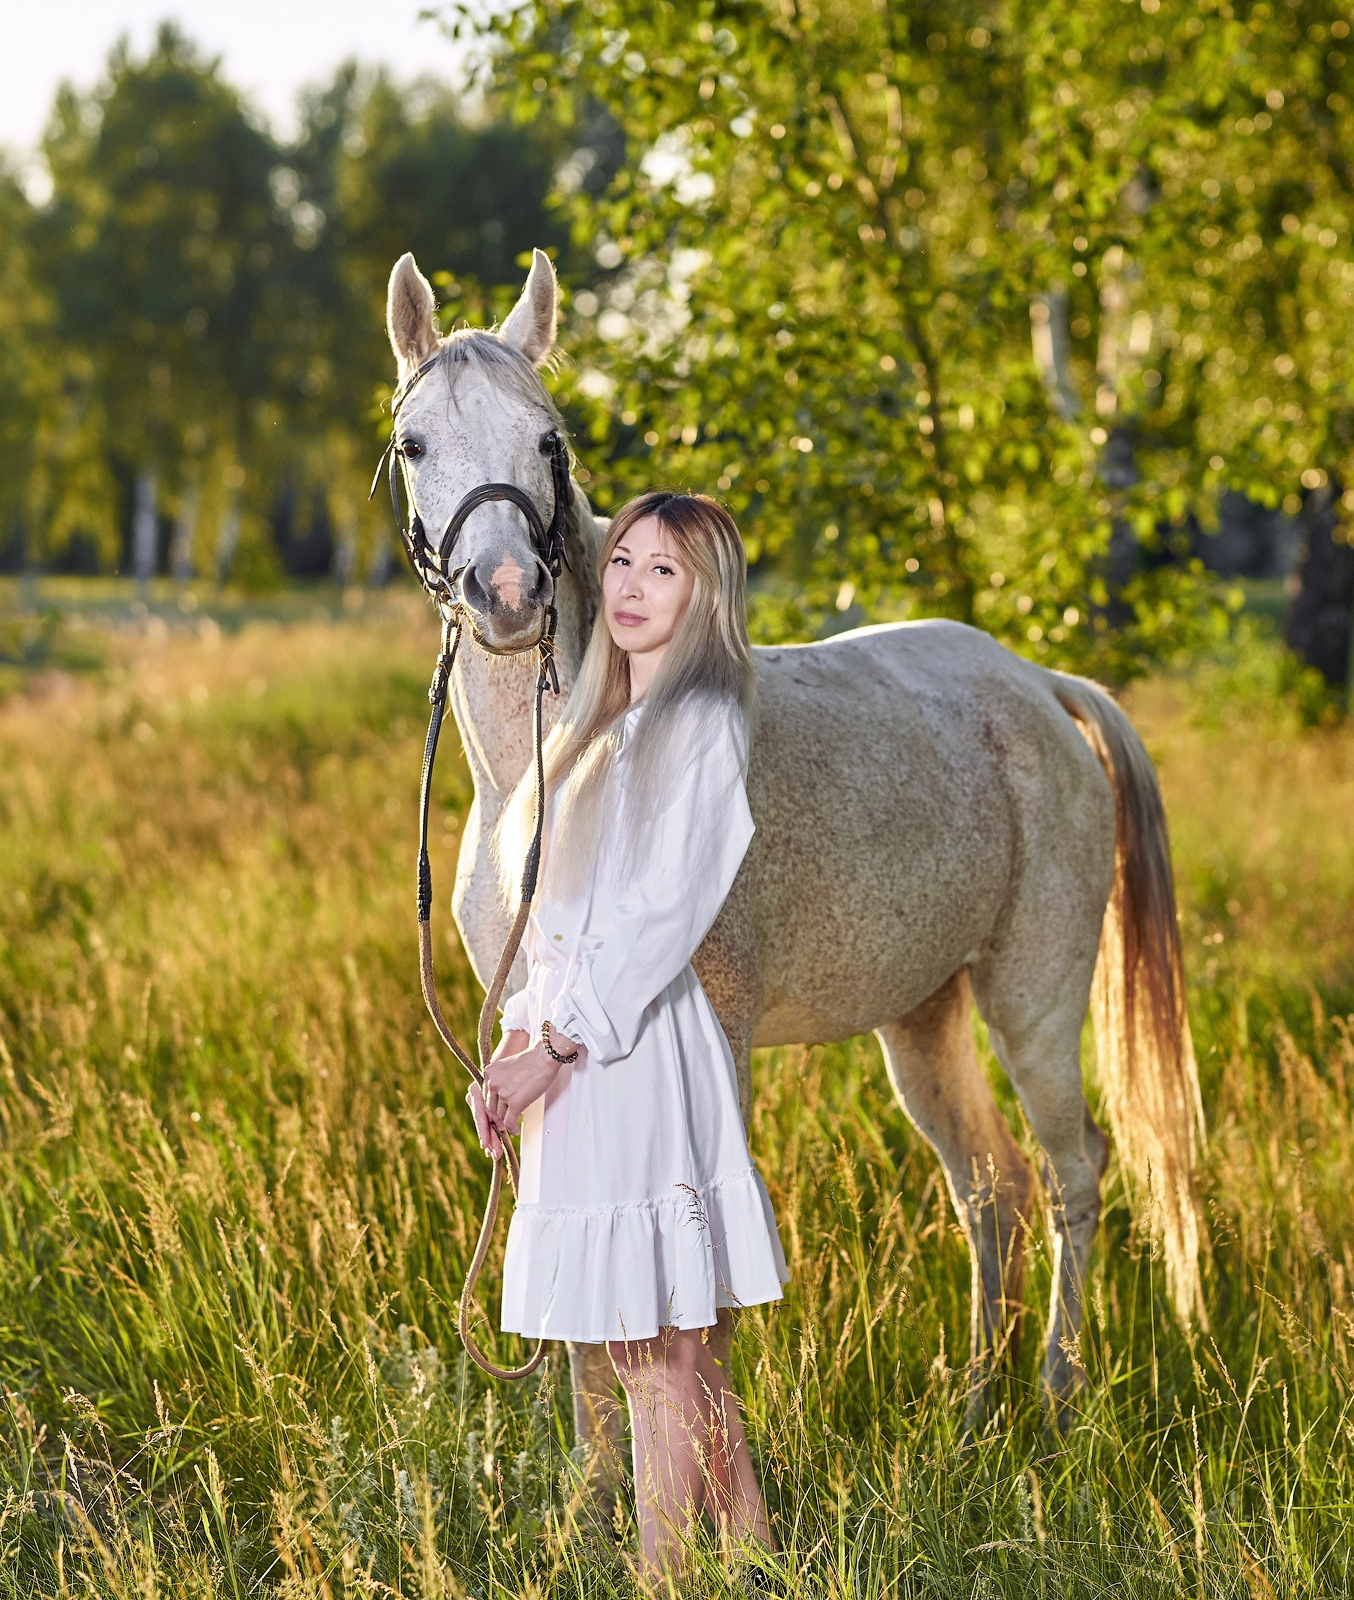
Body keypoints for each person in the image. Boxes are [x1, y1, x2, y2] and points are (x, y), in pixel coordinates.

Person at [469, 490, 786, 1582]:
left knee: (653, 1357)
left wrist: (551, 1051)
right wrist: (516, 1049)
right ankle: (758, 1566)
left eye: (667, 571)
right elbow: (554, 923)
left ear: (707, 598)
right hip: (577, 1051)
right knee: (676, 1361)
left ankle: (664, 1581)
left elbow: (662, 912)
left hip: (632, 1053)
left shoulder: (701, 722)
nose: (635, 587)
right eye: (626, 563)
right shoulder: (597, 725)